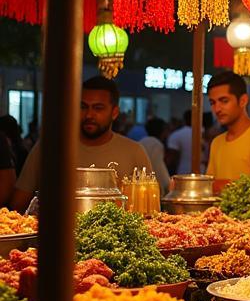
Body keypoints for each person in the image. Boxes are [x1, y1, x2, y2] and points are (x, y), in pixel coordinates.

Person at [11, 76, 152, 211]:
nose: (89, 115)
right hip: (58, 234)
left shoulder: (134, 152)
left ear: (114, 112)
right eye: (83, 107)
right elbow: (19, 203)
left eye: (98, 108)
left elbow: (149, 209)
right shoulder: (49, 146)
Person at [205, 71, 250, 192]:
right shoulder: (216, 143)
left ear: (243, 100)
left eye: (224, 101)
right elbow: (209, 186)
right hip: (216, 211)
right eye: (213, 103)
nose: (217, 109)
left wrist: (222, 185)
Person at [165, 110, 207, 176]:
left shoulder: (176, 135)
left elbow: (171, 157)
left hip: (183, 172)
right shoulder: (206, 134)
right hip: (203, 172)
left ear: (184, 120)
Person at [139, 118, 172, 195]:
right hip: (153, 185)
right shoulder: (156, 144)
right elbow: (158, 167)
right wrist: (167, 184)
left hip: (141, 183)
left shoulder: (142, 141)